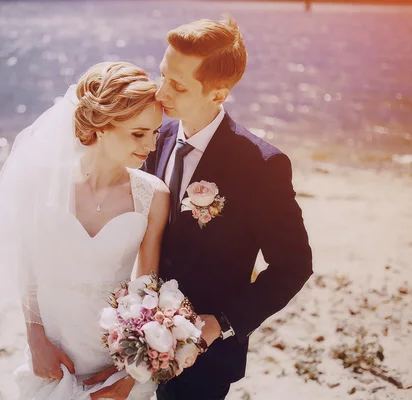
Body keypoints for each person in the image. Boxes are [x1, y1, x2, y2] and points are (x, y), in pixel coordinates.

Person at [0, 61, 169, 400]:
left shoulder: (153, 195)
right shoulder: (44, 182)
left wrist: (130, 367)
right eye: (138, 133)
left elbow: (147, 287)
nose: (150, 145)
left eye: (155, 133)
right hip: (53, 352)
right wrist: (36, 340)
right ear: (103, 126)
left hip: (113, 359)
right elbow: (28, 264)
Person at [143, 16, 314, 400]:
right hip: (140, 332)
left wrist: (221, 324)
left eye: (177, 85)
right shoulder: (155, 138)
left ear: (218, 94)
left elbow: (294, 265)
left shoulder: (262, 166)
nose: (160, 92)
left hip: (205, 357)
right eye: (163, 75)